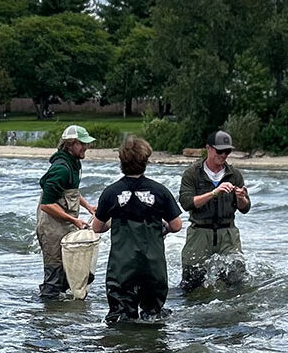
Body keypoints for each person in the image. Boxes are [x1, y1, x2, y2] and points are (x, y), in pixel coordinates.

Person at [92, 135, 183, 324]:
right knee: (153, 318)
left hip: (122, 268)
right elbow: (176, 225)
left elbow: (97, 227)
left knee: (120, 320)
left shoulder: (110, 192)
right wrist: (162, 225)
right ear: (145, 161)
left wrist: (113, 220)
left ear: (121, 161)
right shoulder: (160, 191)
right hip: (153, 268)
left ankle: (122, 350)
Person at [178, 129, 251, 291]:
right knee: (191, 283)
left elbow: (245, 208)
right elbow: (186, 202)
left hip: (228, 234)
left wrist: (241, 198)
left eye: (227, 151)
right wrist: (213, 193)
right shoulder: (192, 174)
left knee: (237, 280)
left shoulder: (234, 175)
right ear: (208, 148)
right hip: (199, 234)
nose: (224, 155)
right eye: (220, 151)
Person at [36, 124, 97, 299]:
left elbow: (71, 193)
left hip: (64, 225)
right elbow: (46, 205)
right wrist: (74, 220)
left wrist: (88, 207)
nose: (87, 147)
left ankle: (61, 313)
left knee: (74, 271)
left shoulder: (73, 163)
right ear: (69, 144)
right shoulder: (61, 169)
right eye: (82, 143)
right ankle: (48, 315)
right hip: (51, 229)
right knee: (54, 275)